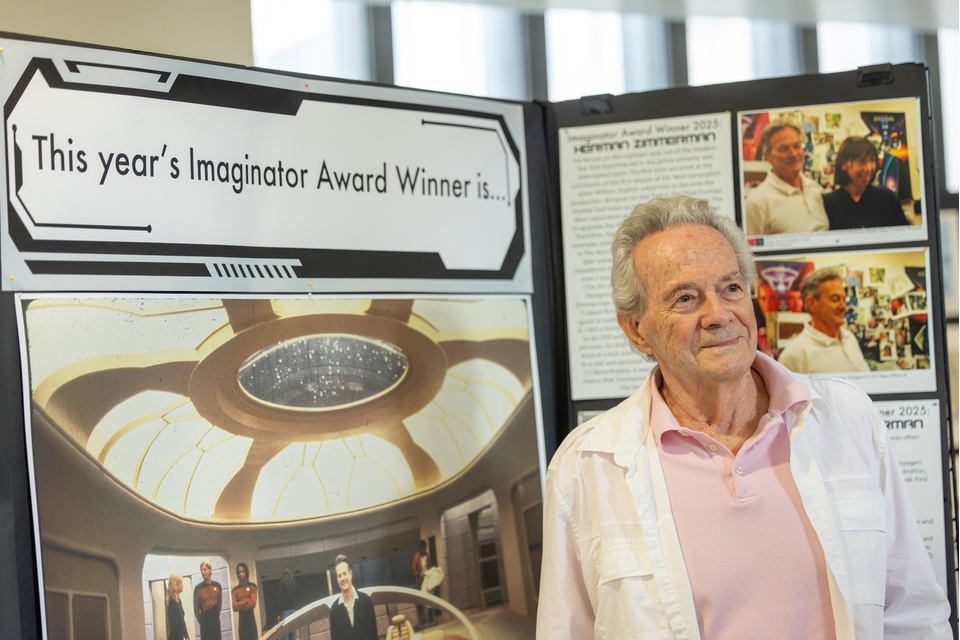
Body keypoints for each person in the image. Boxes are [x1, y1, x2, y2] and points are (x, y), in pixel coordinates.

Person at [536, 196, 950, 639]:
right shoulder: (588, 466)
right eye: (685, 298)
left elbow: (912, 612)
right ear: (636, 329)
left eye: (731, 288)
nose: (718, 315)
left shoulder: (846, 419)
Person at [777, 267, 871, 374]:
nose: (843, 306)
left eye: (843, 299)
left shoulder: (849, 338)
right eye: (835, 299)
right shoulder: (794, 355)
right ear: (812, 304)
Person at [744, 119, 828, 235]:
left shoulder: (816, 190)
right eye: (783, 149)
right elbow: (750, 251)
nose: (793, 154)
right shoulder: (757, 203)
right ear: (767, 156)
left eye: (797, 146)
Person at [823, 136, 911, 230]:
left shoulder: (886, 198)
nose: (869, 168)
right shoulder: (829, 204)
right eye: (861, 162)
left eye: (872, 160)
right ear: (843, 164)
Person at [329, 554, 378, 640]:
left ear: (350, 574)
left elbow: (374, 636)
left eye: (344, 573)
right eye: (339, 576)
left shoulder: (366, 601)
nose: (343, 578)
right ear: (337, 579)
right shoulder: (334, 610)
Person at [193, 560, 222, 639]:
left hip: (215, 621)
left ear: (210, 570)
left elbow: (219, 605)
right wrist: (203, 622)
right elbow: (196, 610)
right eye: (201, 570)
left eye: (205, 569)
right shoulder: (198, 588)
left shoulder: (218, 586)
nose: (203, 572)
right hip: (205, 622)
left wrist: (215, 617)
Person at [231, 561, 258, 640]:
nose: (241, 574)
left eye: (243, 572)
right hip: (242, 622)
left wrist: (240, 604)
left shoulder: (252, 586)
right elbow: (234, 607)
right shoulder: (235, 590)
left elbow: (253, 604)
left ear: (246, 572)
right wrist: (246, 600)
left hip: (251, 620)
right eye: (239, 572)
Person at [278, 566, 300, 640]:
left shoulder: (282, 582)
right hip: (294, 609)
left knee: (285, 633)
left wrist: (279, 613)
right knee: (293, 632)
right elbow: (298, 596)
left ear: (283, 574)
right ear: (290, 574)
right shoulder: (294, 582)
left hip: (285, 610)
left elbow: (280, 598)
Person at [166, 574, 190, 640]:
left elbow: (182, 621)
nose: (183, 584)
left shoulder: (179, 601)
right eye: (181, 582)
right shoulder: (172, 604)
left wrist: (187, 636)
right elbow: (175, 627)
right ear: (176, 584)